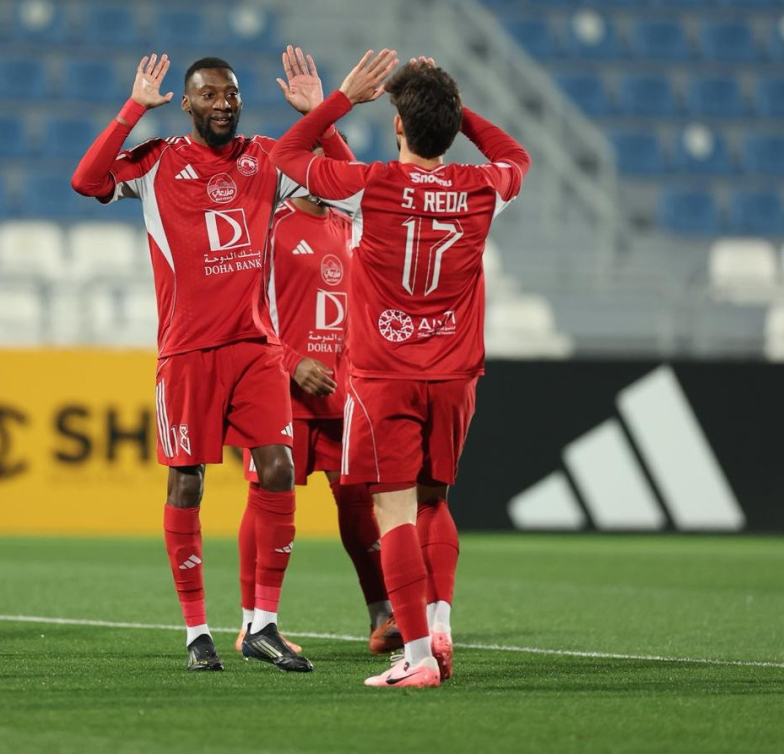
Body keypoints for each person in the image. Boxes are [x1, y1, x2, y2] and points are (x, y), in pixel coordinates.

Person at [70, 47, 354, 673]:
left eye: (230, 94)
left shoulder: (268, 157)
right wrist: (132, 110)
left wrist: (321, 119)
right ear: (188, 103)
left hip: (255, 347)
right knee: (188, 482)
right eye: (209, 95)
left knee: (277, 470)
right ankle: (197, 630)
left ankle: (264, 625)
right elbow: (88, 181)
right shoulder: (157, 162)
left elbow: (351, 187)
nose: (223, 104)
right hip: (187, 350)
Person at [270, 52, 531, 689]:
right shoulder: (481, 188)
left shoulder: (374, 185)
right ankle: (437, 621)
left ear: (396, 126)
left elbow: (287, 156)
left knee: (393, 514)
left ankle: (415, 658)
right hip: (456, 372)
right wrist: (450, 109)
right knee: (436, 500)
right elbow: (517, 157)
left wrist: (338, 101)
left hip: (385, 372)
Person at [236, 175, 399, 656]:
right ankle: (252, 624)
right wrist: (291, 362)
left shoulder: (352, 227)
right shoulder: (269, 226)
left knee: (356, 500)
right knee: (267, 494)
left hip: (345, 392)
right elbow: (246, 308)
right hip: (280, 388)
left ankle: (382, 614)